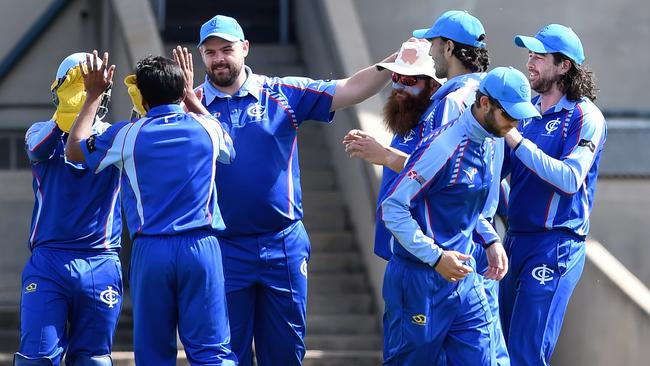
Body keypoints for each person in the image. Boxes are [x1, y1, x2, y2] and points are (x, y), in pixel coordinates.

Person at [193, 14, 395, 365]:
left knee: (285, 354)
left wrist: (399, 61)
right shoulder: (190, 104)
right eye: (210, 52)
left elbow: (350, 88)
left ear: (245, 48)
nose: (219, 58)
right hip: (222, 247)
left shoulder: (282, 92)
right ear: (201, 56)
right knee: (224, 354)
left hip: (282, 244)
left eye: (226, 49)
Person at [65, 51, 237, 366]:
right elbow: (229, 147)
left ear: (141, 98)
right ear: (183, 88)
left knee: (153, 354)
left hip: (152, 250)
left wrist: (93, 96)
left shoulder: (127, 134)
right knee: (212, 351)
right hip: (202, 249)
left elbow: (74, 149)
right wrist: (191, 96)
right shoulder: (209, 129)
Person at [380, 66, 540, 365]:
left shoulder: (491, 140)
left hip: (464, 277)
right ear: (484, 104)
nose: (514, 125)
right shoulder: (443, 146)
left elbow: (467, 206)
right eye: (509, 115)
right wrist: (437, 257)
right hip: (420, 280)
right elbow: (393, 208)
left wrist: (491, 241)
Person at [499, 24, 607, 366]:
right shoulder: (526, 111)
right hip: (514, 240)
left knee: (525, 356)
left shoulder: (585, 116)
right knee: (497, 352)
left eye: (539, 56)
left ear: (564, 66)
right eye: (529, 54)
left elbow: (571, 178)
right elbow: (498, 175)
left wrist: (516, 140)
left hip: (555, 245)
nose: (530, 62)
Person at [16, 53, 121, 366]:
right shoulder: (39, 130)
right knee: (36, 360)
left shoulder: (113, 135)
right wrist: (72, 107)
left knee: (93, 360)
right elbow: (39, 150)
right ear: (58, 91)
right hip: (49, 262)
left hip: (100, 260)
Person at [342, 39, 444, 261]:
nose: (398, 86)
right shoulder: (407, 113)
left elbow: (441, 176)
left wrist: (386, 155)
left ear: (434, 85)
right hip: (398, 254)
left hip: (426, 256)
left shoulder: (440, 119)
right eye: (395, 77)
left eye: (408, 79)